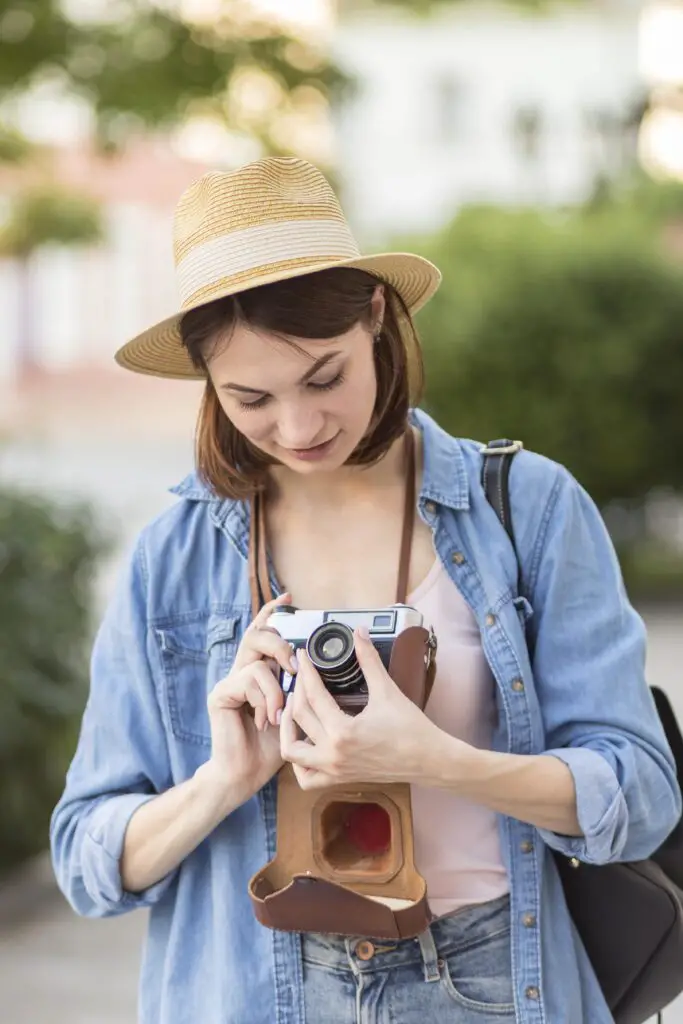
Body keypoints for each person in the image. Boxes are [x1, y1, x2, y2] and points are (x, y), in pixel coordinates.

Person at [50, 157, 681, 1024]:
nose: (299, 428)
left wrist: (432, 758)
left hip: (493, 979)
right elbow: (86, 861)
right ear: (206, 382)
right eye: (250, 399)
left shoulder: (525, 509)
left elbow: (638, 795)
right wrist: (221, 782)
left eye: (323, 377)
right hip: (252, 989)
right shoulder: (174, 555)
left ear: (376, 316)